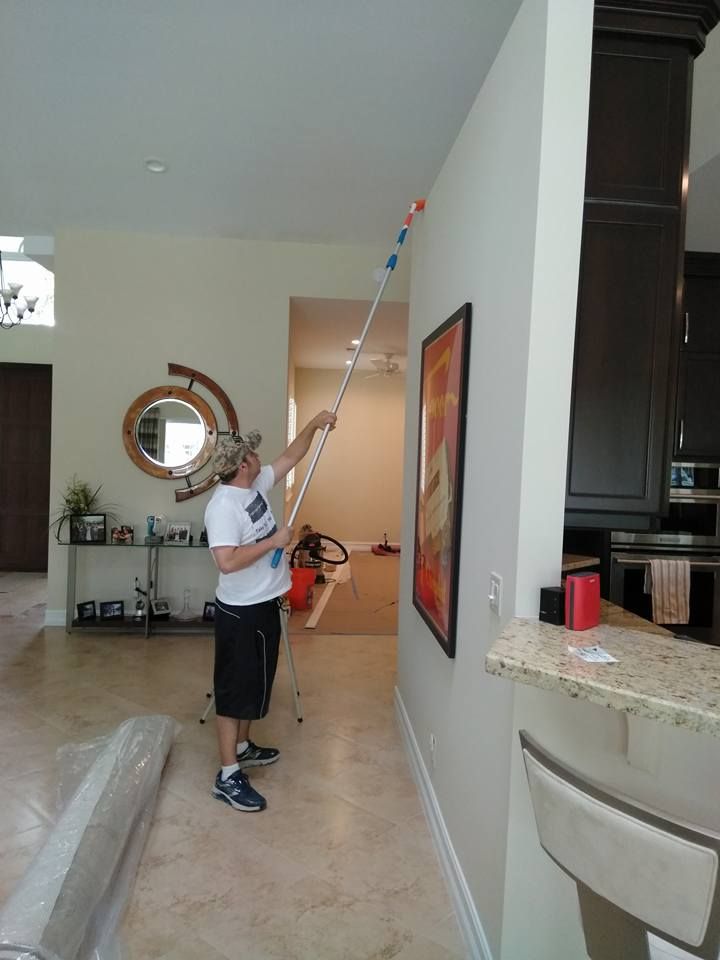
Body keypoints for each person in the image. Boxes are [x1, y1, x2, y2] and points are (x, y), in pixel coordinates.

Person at [203, 410, 337, 812]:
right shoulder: (223, 507)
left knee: (255, 685)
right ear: (242, 465)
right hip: (240, 614)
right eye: (253, 454)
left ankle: (242, 747)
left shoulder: (254, 485)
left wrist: (314, 424)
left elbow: (292, 457)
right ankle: (227, 776)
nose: (260, 458)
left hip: (264, 604)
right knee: (233, 693)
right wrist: (274, 541)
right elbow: (226, 561)